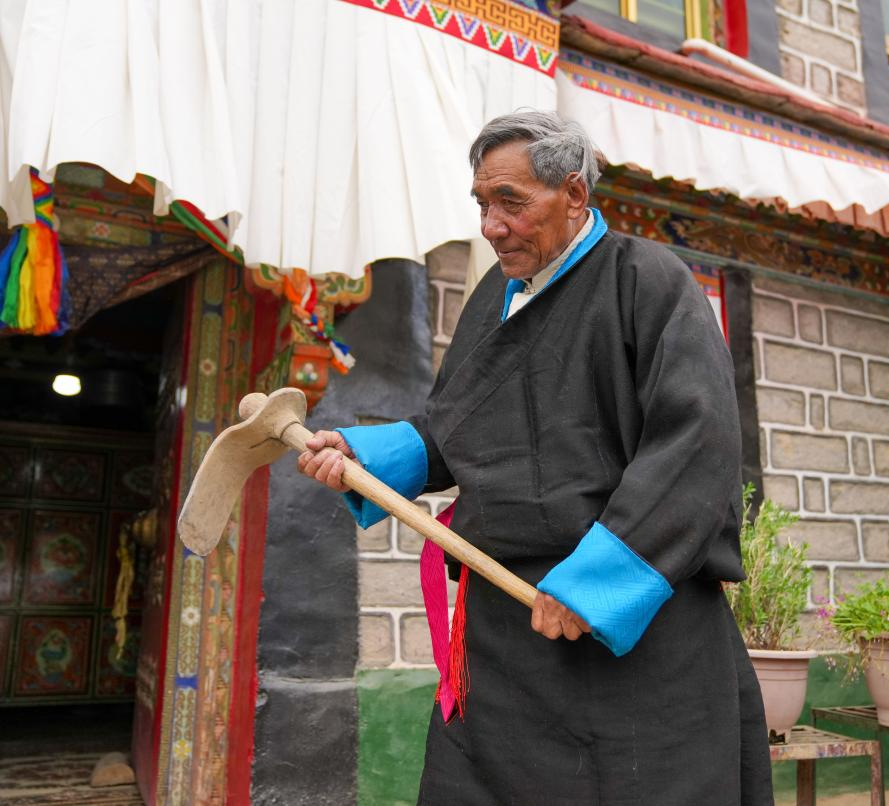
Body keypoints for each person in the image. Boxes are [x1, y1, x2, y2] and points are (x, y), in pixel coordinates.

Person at [298, 111, 773, 805]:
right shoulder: (493, 300)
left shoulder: (648, 281)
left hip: (631, 624)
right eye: (482, 205)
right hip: (506, 630)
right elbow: (454, 427)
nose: (492, 226)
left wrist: (599, 586)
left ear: (574, 193)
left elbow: (695, 444)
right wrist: (365, 457)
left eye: (510, 202)